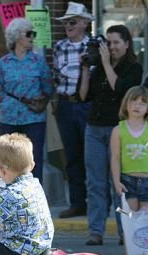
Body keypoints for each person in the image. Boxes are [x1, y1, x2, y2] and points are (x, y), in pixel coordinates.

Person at [78, 24, 142, 246]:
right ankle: (96, 231)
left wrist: (105, 63)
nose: (111, 47)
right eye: (109, 42)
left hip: (119, 130)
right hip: (94, 129)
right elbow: (83, 95)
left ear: (126, 44)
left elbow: (122, 90)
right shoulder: (98, 67)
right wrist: (86, 68)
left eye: (116, 43)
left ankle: (125, 230)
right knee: (95, 184)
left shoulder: (133, 68)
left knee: (120, 184)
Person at [0, 17, 53, 184]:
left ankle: (34, 197)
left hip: (33, 118)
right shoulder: (3, 63)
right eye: (29, 33)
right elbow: (0, 88)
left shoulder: (38, 61)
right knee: (8, 158)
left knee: (33, 159)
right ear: (16, 36)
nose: (32, 37)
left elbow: (47, 87)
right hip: (9, 117)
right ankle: (10, 195)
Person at [53, 2, 94, 218]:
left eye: (73, 21)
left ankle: (96, 204)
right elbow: (55, 75)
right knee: (72, 155)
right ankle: (78, 203)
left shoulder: (95, 45)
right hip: (66, 104)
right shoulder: (59, 46)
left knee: (92, 156)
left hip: (88, 105)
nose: (68, 25)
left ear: (85, 23)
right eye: (66, 22)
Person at [110, 86, 148, 214]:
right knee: (129, 219)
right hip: (127, 181)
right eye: (133, 102)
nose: (137, 106)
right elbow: (115, 157)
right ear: (126, 104)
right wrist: (117, 181)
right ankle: (124, 235)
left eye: (142, 103)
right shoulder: (118, 130)